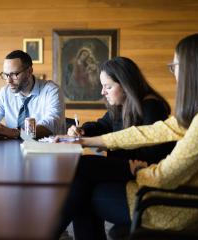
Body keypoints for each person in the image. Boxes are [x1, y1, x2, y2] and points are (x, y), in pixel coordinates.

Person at [55, 33, 198, 239]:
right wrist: (85, 140)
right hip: (168, 193)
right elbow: (149, 132)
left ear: (193, 69)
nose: (174, 72)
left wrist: (136, 170)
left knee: (82, 190)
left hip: (173, 206)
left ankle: (42, 231)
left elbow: (165, 176)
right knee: (82, 181)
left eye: (175, 66)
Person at [60, 56, 175, 238]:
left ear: (126, 84)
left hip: (140, 169)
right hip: (124, 167)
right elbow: (102, 125)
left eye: (108, 86)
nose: (103, 92)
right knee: (81, 187)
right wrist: (82, 130)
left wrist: (109, 145)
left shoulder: (151, 106)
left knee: (80, 168)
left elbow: (151, 154)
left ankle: (49, 229)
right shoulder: (121, 105)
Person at [0, 50, 65, 139]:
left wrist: (17, 133)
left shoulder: (51, 91)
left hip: (47, 149)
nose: (8, 81)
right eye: (6, 75)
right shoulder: (5, 93)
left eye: (14, 74)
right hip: (11, 149)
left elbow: (51, 124)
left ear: (29, 71)